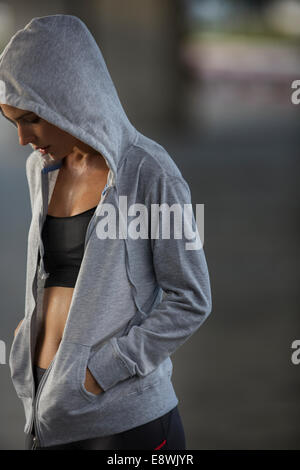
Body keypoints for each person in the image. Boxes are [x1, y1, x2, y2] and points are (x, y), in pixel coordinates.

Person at [0, 14, 212, 450]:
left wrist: (102, 372)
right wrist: (29, 336)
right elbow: (56, 274)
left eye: (31, 119)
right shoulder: (42, 169)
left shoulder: (150, 173)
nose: (23, 138)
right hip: (46, 411)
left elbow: (190, 298)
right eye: (12, 122)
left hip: (123, 423)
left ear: (67, 97)